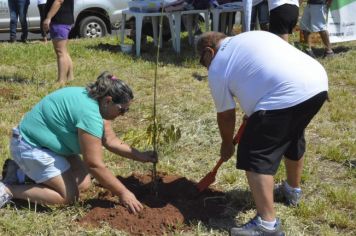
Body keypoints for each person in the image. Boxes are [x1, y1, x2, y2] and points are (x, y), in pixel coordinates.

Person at [196, 31, 328, 235]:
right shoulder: (250, 36)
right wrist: (256, 110)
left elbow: (226, 115)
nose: (206, 67)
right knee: (291, 135)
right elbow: (262, 72)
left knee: (255, 153)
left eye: (203, 62)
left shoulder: (218, 65)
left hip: (285, 94)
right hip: (316, 83)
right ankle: (292, 191)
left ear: (208, 51)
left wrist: (226, 144)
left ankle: (266, 225)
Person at [0, 72, 157, 214]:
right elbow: (94, 164)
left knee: (83, 182)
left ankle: (21, 175)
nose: (123, 115)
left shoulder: (96, 100)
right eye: (122, 110)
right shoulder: (90, 114)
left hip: (49, 146)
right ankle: (9, 189)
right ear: (108, 100)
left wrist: (141, 156)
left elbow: (110, 140)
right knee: (68, 196)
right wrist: (124, 193)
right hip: (30, 146)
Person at [43, 0, 74, 83]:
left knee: (60, 52)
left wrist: (48, 18)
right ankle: (70, 77)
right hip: (64, 20)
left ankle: (61, 81)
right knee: (64, 51)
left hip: (59, 21)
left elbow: (59, 1)